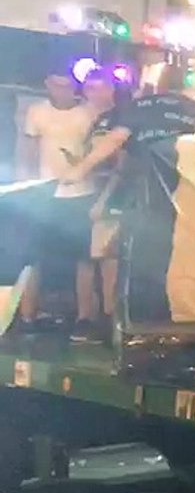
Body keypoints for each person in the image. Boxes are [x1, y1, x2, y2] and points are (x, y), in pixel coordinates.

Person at [63, 65, 195, 327]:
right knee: (187, 265)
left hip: (149, 198)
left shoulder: (140, 106)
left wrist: (79, 170)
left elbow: (115, 141)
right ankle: (183, 322)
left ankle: (144, 327)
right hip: (192, 197)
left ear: (155, 84)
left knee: (145, 265)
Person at [14, 72, 98, 334]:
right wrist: (25, 185)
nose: (61, 90)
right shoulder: (36, 112)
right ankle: (27, 315)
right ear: (48, 85)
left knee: (84, 257)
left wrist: (83, 164)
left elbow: (99, 151)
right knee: (33, 257)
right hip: (45, 193)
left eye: (66, 85)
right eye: (56, 85)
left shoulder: (89, 114)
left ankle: (85, 317)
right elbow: (27, 150)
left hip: (82, 193)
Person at [75, 69, 128, 342]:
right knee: (88, 257)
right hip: (89, 194)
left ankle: (110, 320)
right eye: (90, 89)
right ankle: (89, 317)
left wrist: (105, 199)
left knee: (108, 259)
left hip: (111, 197)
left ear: (111, 89)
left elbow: (121, 164)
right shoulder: (95, 121)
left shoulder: (119, 118)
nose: (95, 94)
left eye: (100, 88)